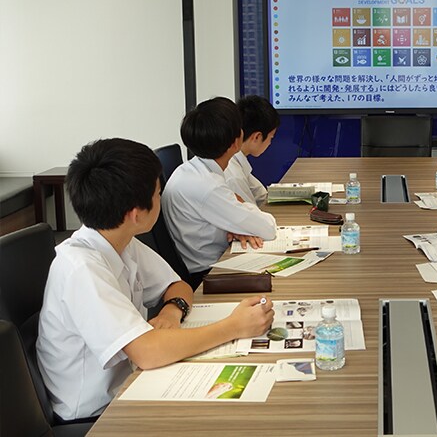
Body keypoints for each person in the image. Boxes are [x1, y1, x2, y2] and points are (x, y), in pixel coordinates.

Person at [36, 138, 274, 422]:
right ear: (135, 214)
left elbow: (177, 286)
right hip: (98, 416)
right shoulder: (81, 268)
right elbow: (147, 352)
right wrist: (233, 327)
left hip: (135, 382)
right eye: (158, 193)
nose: (162, 199)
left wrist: (173, 311)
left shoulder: (119, 238)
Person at [162, 97, 278, 289]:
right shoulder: (209, 187)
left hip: (212, 261)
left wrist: (236, 224)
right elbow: (267, 228)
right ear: (235, 142)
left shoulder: (191, 171)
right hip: (208, 275)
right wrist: (239, 206)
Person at [225, 95, 280, 208]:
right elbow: (249, 217)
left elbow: (262, 196)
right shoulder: (233, 175)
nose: (270, 143)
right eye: (271, 137)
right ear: (257, 137)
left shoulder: (237, 161)